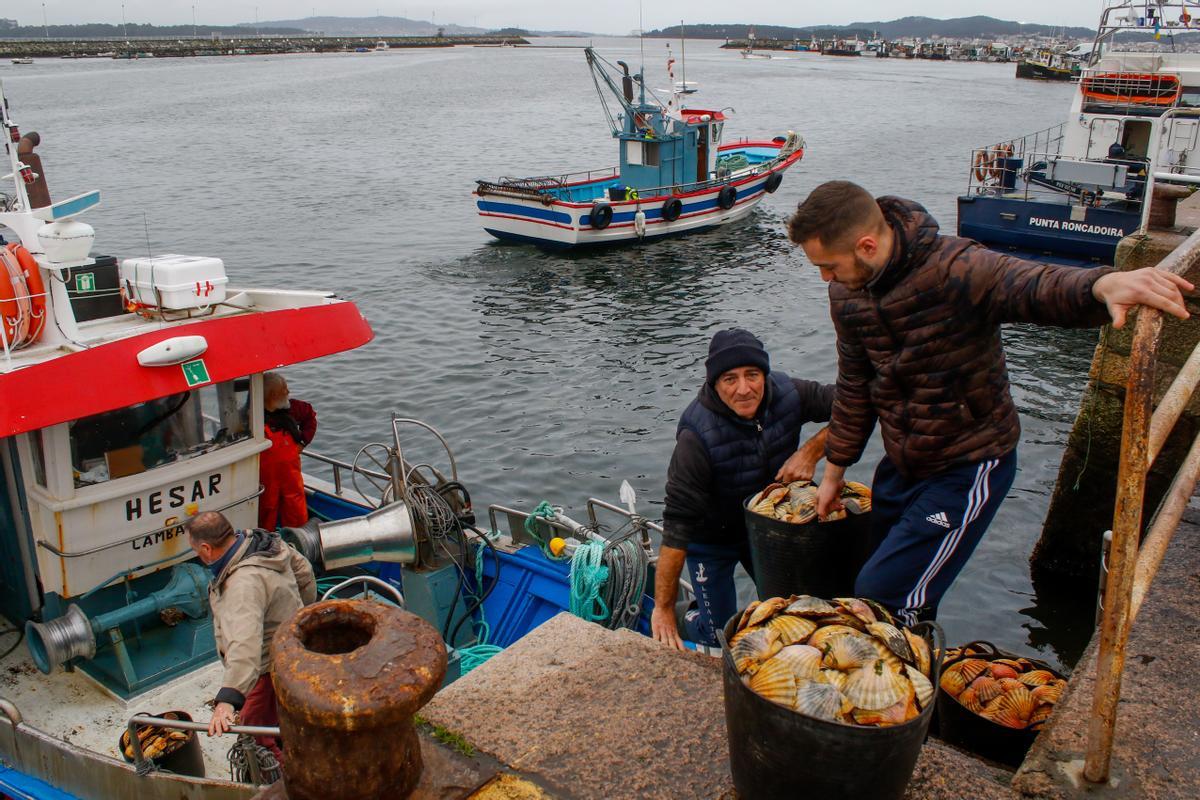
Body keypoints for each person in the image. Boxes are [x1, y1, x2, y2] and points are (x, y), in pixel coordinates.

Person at [787, 180, 1192, 625]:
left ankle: (885, 688)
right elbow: (854, 385)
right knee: (889, 582)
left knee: (883, 594)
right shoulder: (846, 295)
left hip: (970, 465)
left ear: (866, 245)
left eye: (828, 265)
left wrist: (1102, 285)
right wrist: (835, 472)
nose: (824, 277)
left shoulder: (956, 266)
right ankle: (914, 685)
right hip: (905, 463)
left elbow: (1032, 284)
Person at [651, 329, 835, 650]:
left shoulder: (789, 394)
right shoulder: (696, 438)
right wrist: (663, 608)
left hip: (764, 529)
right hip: (710, 541)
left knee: (792, 614)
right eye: (729, 379)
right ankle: (689, 615)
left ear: (765, 374)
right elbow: (677, 526)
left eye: (752, 375)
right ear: (714, 383)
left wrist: (813, 450)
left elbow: (856, 404)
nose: (744, 389)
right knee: (719, 635)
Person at [188, 510, 316, 762]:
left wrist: (228, 700)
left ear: (205, 549)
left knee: (254, 733)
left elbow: (245, 645)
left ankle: (284, 780)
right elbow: (305, 573)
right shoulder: (267, 544)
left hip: (267, 667)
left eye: (194, 548)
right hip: (293, 649)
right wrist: (299, 616)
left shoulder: (242, 585)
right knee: (288, 711)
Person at [259, 373, 310, 529]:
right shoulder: (252, 417)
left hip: (290, 475)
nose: (288, 393)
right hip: (267, 476)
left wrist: (302, 442)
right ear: (273, 394)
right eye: (285, 389)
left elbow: (310, 416)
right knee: (266, 508)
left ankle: (299, 540)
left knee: (295, 508)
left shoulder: (291, 408)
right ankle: (265, 541)